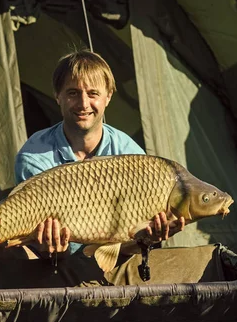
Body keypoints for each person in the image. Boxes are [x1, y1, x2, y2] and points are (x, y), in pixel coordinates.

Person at [14, 49, 184, 259]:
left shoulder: (130, 155)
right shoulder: (34, 155)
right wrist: (46, 248)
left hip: (114, 259)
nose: (83, 104)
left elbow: (131, 243)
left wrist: (148, 238)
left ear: (108, 97)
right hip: (50, 262)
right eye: (73, 93)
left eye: (93, 93)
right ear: (57, 96)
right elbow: (34, 237)